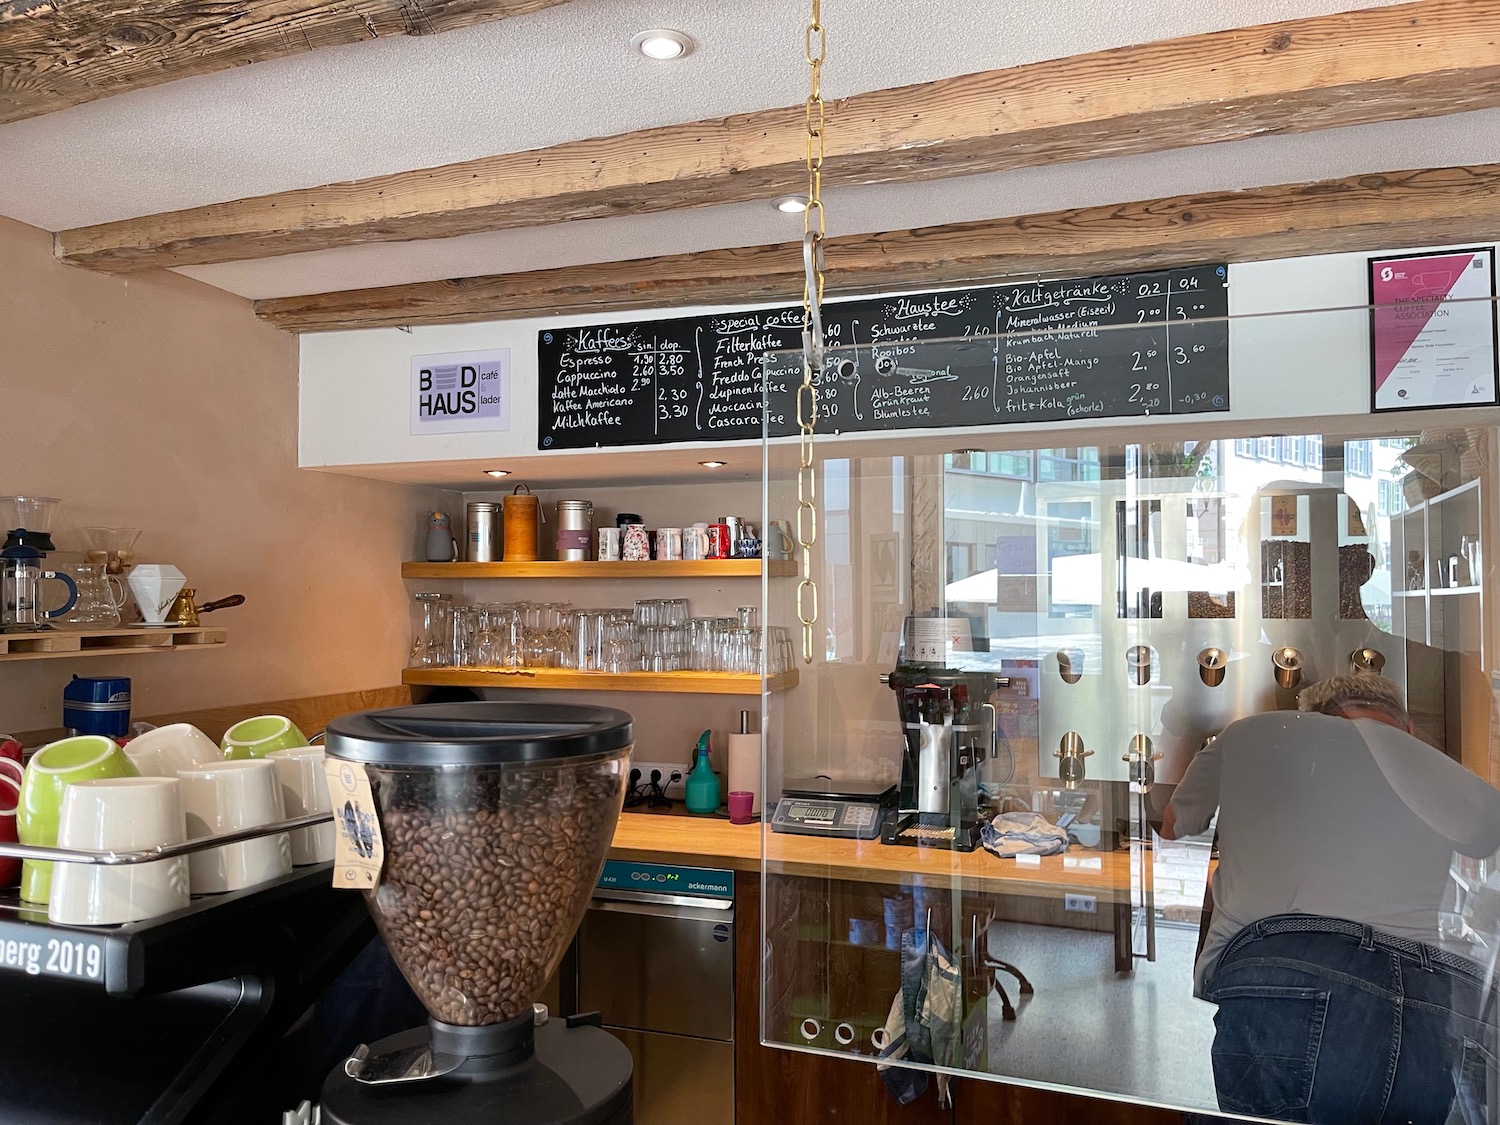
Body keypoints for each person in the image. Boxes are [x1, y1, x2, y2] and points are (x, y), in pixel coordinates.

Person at [1162, 674, 1500, 1125]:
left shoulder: (1251, 733)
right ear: (1409, 728)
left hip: (1288, 969)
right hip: (1437, 990)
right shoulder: (1433, 765)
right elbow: (1486, 837)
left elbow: (1169, 823)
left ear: (1310, 720)